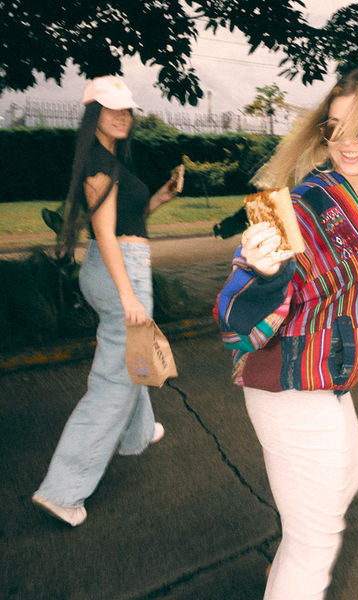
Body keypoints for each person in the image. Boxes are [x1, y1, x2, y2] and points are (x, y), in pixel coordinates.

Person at [214, 66, 358, 599]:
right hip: (289, 383)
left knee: (350, 475)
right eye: (335, 129)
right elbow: (236, 318)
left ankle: (283, 570)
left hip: (326, 377)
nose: (347, 143)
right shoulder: (310, 205)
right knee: (316, 540)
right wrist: (263, 273)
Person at [32, 75, 183, 527]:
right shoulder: (99, 164)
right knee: (114, 382)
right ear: (93, 113)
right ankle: (62, 491)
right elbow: (105, 233)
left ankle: (139, 431)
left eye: (126, 109)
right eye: (111, 108)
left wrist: (160, 197)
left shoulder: (110, 158)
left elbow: (124, 220)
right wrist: (128, 295)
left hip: (116, 265)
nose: (122, 116)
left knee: (129, 356)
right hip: (121, 271)